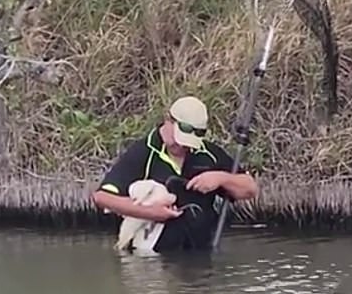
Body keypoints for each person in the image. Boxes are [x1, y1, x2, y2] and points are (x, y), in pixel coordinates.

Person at [91, 95, 258, 252]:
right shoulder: (143, 152)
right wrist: (151, 212)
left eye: (187, 142)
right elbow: (102, 197)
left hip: (201, 256)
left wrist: (221, 178)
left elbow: (250, 188)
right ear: (168, 120)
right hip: (152, 259)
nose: (183, 146)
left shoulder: (208, 153)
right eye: (179, 140)